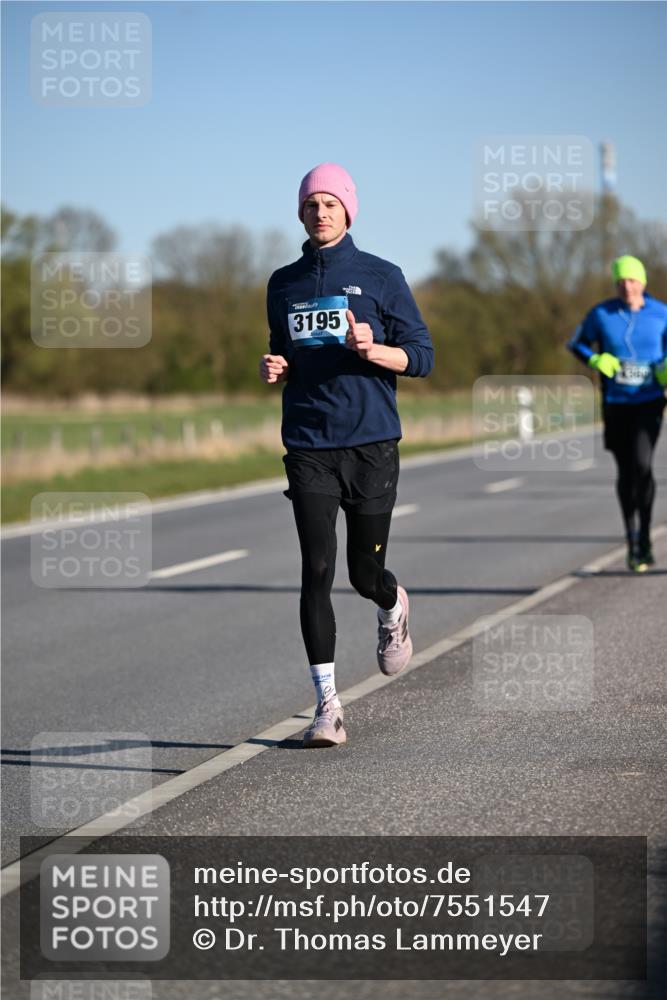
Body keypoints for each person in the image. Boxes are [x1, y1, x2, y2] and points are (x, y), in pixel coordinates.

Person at [259, 163, 434, 747]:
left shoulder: (382, 276)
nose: (320, 213)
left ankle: (391, 603)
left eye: (331, 204)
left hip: (371, 442)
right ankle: (327, 707)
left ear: (348, 210)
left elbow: (423, 356)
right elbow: (282, 350)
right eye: (311, 204)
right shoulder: (282, 283)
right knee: (316, 570)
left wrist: (374, 348)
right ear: (301, 213)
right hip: (309, 444)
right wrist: (274, 365)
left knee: (363, 572)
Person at [568, 255, 667, 571]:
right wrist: (595, 360)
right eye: (621, 281)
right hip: (616, 403)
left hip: (649, 400)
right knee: (626, 472)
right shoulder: (601, 314)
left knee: (642, 464)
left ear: (643, 282)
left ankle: (646, 538)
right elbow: (577, 343)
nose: (627, 286)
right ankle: (632, 536)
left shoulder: (661, 314)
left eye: (632, 280)